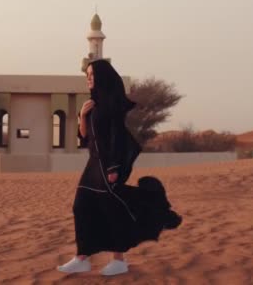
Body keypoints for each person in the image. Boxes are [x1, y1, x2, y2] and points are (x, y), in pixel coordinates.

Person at [57, 59, 182, 276]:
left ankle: (118, 260)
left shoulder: (111, 105)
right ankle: (82, 257)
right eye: (87, 75)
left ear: (102, 76)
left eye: (91, 75)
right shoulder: (93, 104)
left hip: (108, 165)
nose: (88, 79)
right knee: (81, 207)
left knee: (111, 209)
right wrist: (82, 117)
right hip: (93, 163)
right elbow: (86, 138)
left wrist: (114, 167)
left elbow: (117, 138)